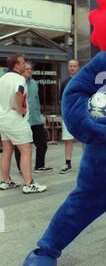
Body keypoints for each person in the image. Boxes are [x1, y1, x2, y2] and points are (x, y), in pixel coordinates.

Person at [0, 54, 47, 193]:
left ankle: (5, 181)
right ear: (16, 65)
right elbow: (19, 93)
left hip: (3, 120)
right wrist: (20, 109)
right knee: (26, 150)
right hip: (15, 120)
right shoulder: (19, 79)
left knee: (7, 150)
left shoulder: (2, 79)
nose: (24, 64)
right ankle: (29, 184)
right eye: (22, 62)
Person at [14, 62, 53, 172]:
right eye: (27, 68)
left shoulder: (34, 83)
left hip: (36, 119)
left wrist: (41, 116)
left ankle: (39, 166)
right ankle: (22, 169)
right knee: (21, 147)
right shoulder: (18, 83)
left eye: (31, 69)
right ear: (22, 70)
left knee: (42, 143)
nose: (29, 70)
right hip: (22, 120)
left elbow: (36, 101)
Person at [59, 59, 80, 174]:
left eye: (74, 66)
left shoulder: (85, 80)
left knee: (84, 140)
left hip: (82, 116)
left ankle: (85, 163)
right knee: (68, 140)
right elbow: (61, 100)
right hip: (68, 115)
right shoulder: (65, 82)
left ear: (78, 67)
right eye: (70, 66)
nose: (72, 68)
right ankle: (68, 163)